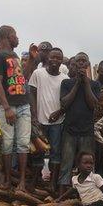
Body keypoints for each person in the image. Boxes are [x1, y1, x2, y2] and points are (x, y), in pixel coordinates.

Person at [0, 26, 31, 190]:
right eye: (15, 35)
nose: (17, 38)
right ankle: (7, 179)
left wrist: (33, 60)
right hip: (8, 106)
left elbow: (23, 78)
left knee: (23, 144)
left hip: (23, 104)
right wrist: (6, 108)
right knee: (7, 143)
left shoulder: (14, 56)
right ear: (7, 36)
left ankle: (21, 181)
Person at [58, 53, 100, 192]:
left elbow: (93, 104)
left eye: (84, 61)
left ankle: (86, 195)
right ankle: (61, 196)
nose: (81, 63)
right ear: (74, 64)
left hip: (86, 131)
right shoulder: (66, 83)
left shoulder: (94, 84)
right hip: (70, 130)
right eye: (78, 61)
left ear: (87, 64)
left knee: (87, 166)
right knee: (66, 164)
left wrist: (86, 83)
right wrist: (77, 83)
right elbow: (64, 103)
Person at [28, 46, 69, 182]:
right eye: (52, 57)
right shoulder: (38, 73)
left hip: (57, 122)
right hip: (39, 120)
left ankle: (53, 183)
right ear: (47, 58)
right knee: (37, 152)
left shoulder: (65, 78)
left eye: (58, 58)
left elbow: (68, 100)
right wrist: (34, 116)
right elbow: (31, 94)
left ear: (62, 61)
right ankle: (35, 180)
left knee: (56, 152)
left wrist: (59, 112)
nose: (55, 60)